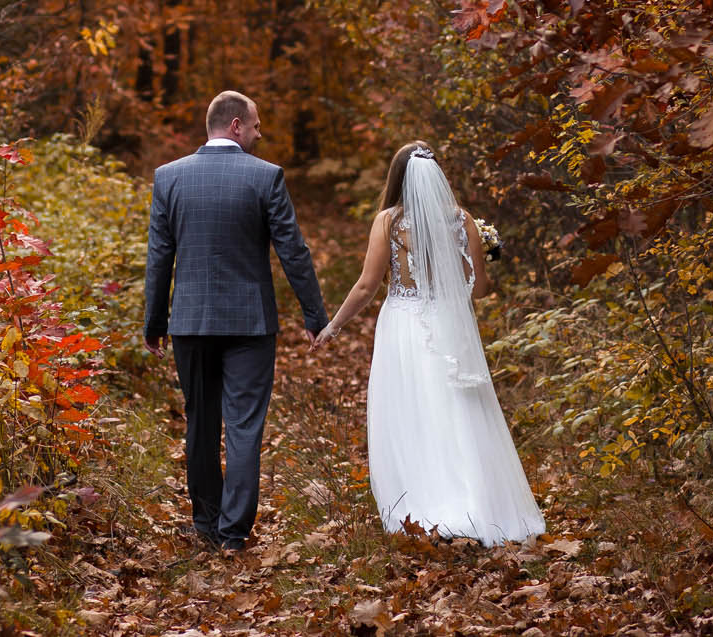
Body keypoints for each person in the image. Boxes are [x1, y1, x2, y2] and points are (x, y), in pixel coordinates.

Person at [316, 140, 544, 544]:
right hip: (448, 324)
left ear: (398, 176)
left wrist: (334, 326)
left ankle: (421, 505)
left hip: (403, 326)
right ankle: (475, 502)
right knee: (457, 410)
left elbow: (368, 285)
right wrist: (480, 258)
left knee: (411, 411)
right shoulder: (462, 221)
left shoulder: (388, 221)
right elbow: (480, 291)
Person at [143, 90, 328, 551]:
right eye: (257, 125)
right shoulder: (266, 177)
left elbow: (159, 256)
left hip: (190, 322)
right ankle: (234, 532)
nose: (260, 133)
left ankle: (205, 521)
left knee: (200, 421)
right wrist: (314, 314)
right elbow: (293, 250)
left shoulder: (170, 178)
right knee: (244, 424)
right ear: (235, 126)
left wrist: (154, 321)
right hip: (250, 324)